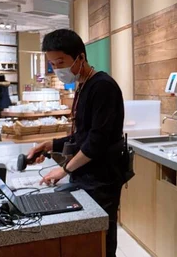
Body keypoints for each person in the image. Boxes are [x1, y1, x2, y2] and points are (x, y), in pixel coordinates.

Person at [26, 29, 125, 257]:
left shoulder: (102, 86)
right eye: (52, 64)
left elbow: (96, 142)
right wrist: (48, 145)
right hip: (86, 175)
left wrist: (63, 170)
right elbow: (81, 136)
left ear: (80, 57)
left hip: (102, 179)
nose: (57, 69)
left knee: (100, 240)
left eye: (60, 62)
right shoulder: (83, 85)